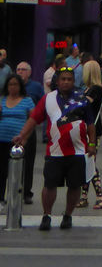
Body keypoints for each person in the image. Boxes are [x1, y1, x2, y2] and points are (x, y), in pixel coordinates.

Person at [14, 65, 97, 231]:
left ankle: (67, 216)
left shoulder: (82, 99)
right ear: (57, 82)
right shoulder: (48, 99)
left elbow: (90, 123)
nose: (66, 82)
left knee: (74, 186)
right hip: (55, 152)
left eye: (69, 79)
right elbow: (34, 119)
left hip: (78, 151)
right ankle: (47, 216)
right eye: (63, 79)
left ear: (74, 81)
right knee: (49, 185)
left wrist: (92, 144)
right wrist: (22, 135)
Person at [0, 73, 33, 210]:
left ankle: (15, 196)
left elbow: (32, 121)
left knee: (16, 172)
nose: (12, 87)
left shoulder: (27, 100)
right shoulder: (2, 100)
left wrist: (25, 138)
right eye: (10, 84)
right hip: (2, 139)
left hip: (18, 142)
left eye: (15, 84)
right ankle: (1, 198)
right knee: (1, 171)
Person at [78, 61, 102, 211]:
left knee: (90, 162)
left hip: (92, 130)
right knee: (87, 163)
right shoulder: (90, 89)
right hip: (88, 128)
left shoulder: (95, 89)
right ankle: (84, 197)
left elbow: (83, 105)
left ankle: (100, 197)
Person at [15, 61, 44, 204]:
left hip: (30, 130)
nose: (20, 72)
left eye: (23, 69)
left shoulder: (36, 87)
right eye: (18, 69)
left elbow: (41, 106)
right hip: (13, 130)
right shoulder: (12, 86)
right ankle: (12, 191)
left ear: (29, 72)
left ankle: (27, 192)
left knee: (28, 163)